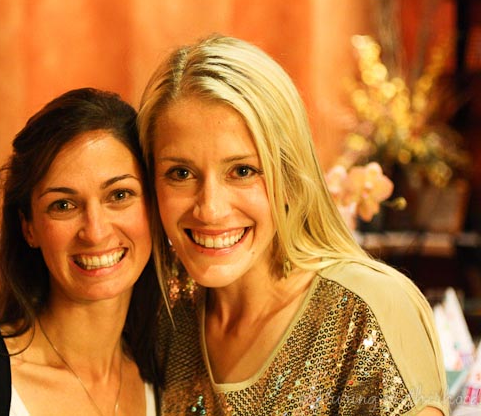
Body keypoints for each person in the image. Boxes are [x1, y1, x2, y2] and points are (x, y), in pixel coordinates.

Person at [137, 35, 448, 415]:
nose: (211, 209)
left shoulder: (368, 310)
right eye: (181, 173)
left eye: (242, 171)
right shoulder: (168, 314)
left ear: (289, 175)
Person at [0, 88, 160, 415]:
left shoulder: (170, 376)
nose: (95, 231)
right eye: (63, 205)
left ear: (154, 205)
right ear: (29, 227)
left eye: (119, 195)